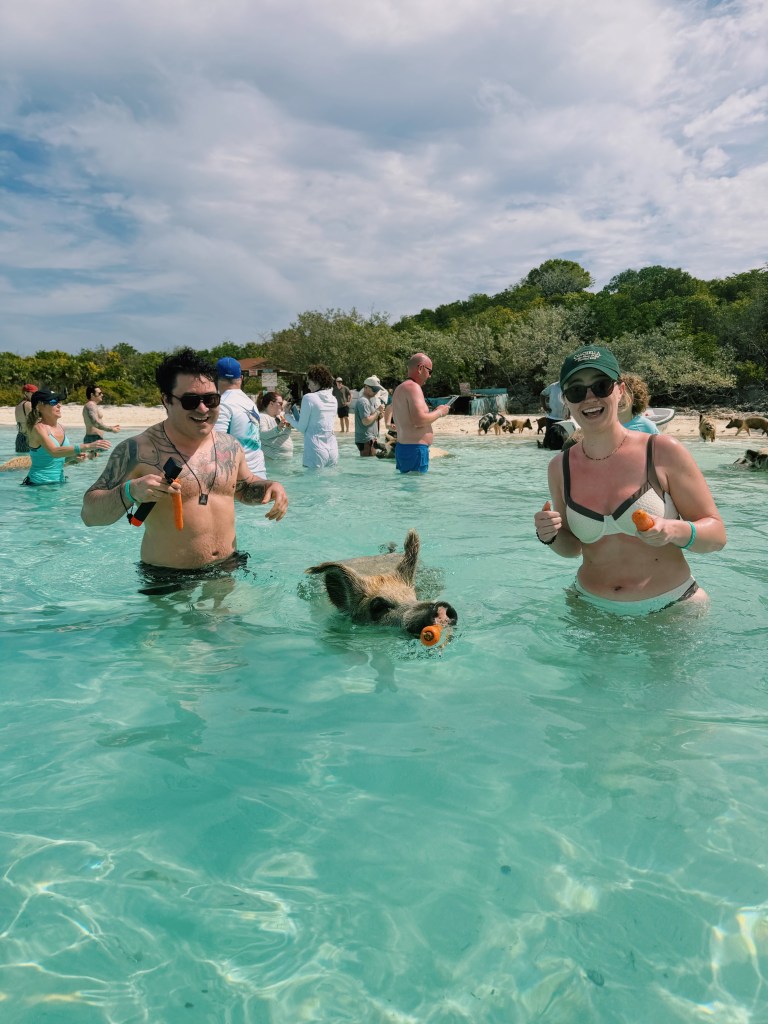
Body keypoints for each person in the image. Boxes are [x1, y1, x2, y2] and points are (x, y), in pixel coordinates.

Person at [533, 345, 726, 615]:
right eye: (576, 390)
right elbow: (573, 548)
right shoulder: (559, 467)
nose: (589, 398)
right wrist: (550, 536)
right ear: (566, 400)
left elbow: (716, 536)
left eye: (600, 386)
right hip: (589, 607)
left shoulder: (661, 450)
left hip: (671, 606)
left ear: (620, 390)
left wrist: (673, 530)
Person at [81, 349, 288, 578]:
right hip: (168, 577)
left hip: (227, 567)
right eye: (191, 401)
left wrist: (269, 487)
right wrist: (130, 491)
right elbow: (90, 515)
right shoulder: (138, 450)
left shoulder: (230, 446)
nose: (203, 409)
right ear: (166, 400)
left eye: (211, 400)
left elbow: (243, 487)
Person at [23, 391, 110, 485]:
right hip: (38, 485)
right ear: (40, 406)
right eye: (53, 402)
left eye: (59, 402)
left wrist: (72, 458)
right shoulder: (38, 428)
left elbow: (55, 460)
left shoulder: (61, 427)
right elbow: (54, 452)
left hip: (58, 483)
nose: (59, 405)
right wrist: (87, 446)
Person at [390, 353, 450, 473]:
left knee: (407, 487)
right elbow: (418, 420)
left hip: (403, 448)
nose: (429, 376)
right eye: (430, 371)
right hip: (415, 449)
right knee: (417, 490)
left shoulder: (400, 388)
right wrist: (440, 412)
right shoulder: (413, 387)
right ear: (421, 368)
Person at [213, 357, 267, 479]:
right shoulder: (250, 403)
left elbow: (215, 446)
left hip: (237, 480)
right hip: (260, 474)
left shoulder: (222, 404)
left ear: (215, 379)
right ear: (241, 378)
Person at [284, 364, 339, 469]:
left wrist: (287, 415)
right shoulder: (333, 399)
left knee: (311, 484)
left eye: (308, 382)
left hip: (315, 449)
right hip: (333, 448)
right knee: (330, 484)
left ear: (315, 382)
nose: (308, 386)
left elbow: (302, 428)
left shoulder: (309, 398)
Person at [256, 391, 294, 461]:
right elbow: (263, 434)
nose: (282, 406)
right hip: (273, 459)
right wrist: (278, 429)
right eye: (280, 403)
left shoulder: (280, 416)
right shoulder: (262, 417)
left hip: (284, 459)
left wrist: (289, 426)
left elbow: (285, 434)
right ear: (271, 403)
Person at [354, 377, 386, 456]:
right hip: (366, 440)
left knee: (368, 465)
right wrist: (378, 411)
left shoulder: (369, 401)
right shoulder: (364, 401)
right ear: (366, 387)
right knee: (368, 465)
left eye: (377, 389)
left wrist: (380, 413)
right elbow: (365, 421)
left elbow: (372, 418)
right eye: (374, 389)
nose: (376, 392)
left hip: (368, 439)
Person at [539, 381, 568, 450]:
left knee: (562, 441)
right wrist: (545, 407)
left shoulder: (569, 385)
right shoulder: (553, 386)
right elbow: (542, 394)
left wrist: (569, 414)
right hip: (551, 417)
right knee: (547, 439)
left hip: (564, 418)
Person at [14, 384, 37, 453]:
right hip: (29, 438)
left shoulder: (18, 405)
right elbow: (36, 423)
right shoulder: (28, 405)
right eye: (33, 393)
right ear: (26, 393)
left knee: (21, 461)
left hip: (20, 438)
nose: (35, 395)